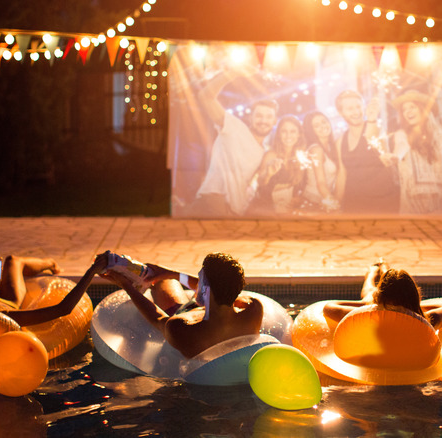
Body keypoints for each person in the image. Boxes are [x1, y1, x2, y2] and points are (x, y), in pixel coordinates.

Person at [101, 252, 263, 359]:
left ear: (205, 288)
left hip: (186, 312)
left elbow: (157, 318)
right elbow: (222, 289)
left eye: (200, 279)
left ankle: (150, 278)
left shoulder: (182, 328)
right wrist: (172, 273)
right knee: (166, 278)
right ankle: (165, 276)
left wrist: (126, 285)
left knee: (160, 282)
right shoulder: (253, 310)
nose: (198, 282)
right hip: (205, 308)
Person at [190, 68, 278, 217]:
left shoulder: (263, 152)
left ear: (274, 121)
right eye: (259, 116)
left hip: (235, 212)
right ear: (251, 118)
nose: (264, 121)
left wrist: (269, 174)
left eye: (269, 117)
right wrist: (233, 73)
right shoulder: (234, 127)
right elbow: (205, 97)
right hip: (214, 202)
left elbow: (261, 181)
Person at [323, 260, 442, 330]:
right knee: (371, 291)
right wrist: (418, 307)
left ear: (380, 297)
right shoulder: (427, 321)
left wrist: (363, 305)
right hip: (403, 302)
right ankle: (382, 269)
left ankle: (373, 272)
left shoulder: (366, 316)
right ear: (414, 296)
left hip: (374, 302)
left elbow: (329, 308)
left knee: (369, 291)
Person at [390, 89, 442, 215]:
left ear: (423, 109)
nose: (407, 112)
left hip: (441, 205)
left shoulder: (440, 135)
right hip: (413, 207)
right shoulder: (402, 134)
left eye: (412, 107)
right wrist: (395, 156)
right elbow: (401, 146)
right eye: (404, 109)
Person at [334, 90, 399, 214]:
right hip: (354, 204)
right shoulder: (340, 142)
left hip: (382, 204)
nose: (356, 112)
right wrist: (335, 204)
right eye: (350, 108)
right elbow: (342, 175)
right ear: (340, 112)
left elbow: (372, 138)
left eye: (359, 106)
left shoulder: (375, 128)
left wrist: (372, 119)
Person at [248, 115, 308, 215]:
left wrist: (298, 199)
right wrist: (268, 173)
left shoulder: (301, 158)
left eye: (293, 131)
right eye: (284, 131)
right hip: (265, 211)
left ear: (299, 135)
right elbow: (261, 182)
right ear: (279, 134)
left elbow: (300, 187)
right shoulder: (271, 155)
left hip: (287, 212)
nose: (288, 135)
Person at [301, 111, 339, 212]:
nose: (322, 126)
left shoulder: (331, 147)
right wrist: (334, 204)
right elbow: (320, 183)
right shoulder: (316, 149)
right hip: (312, 203)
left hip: (323, 201)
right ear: (311, 130)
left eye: (324, 122)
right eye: (316, 125)